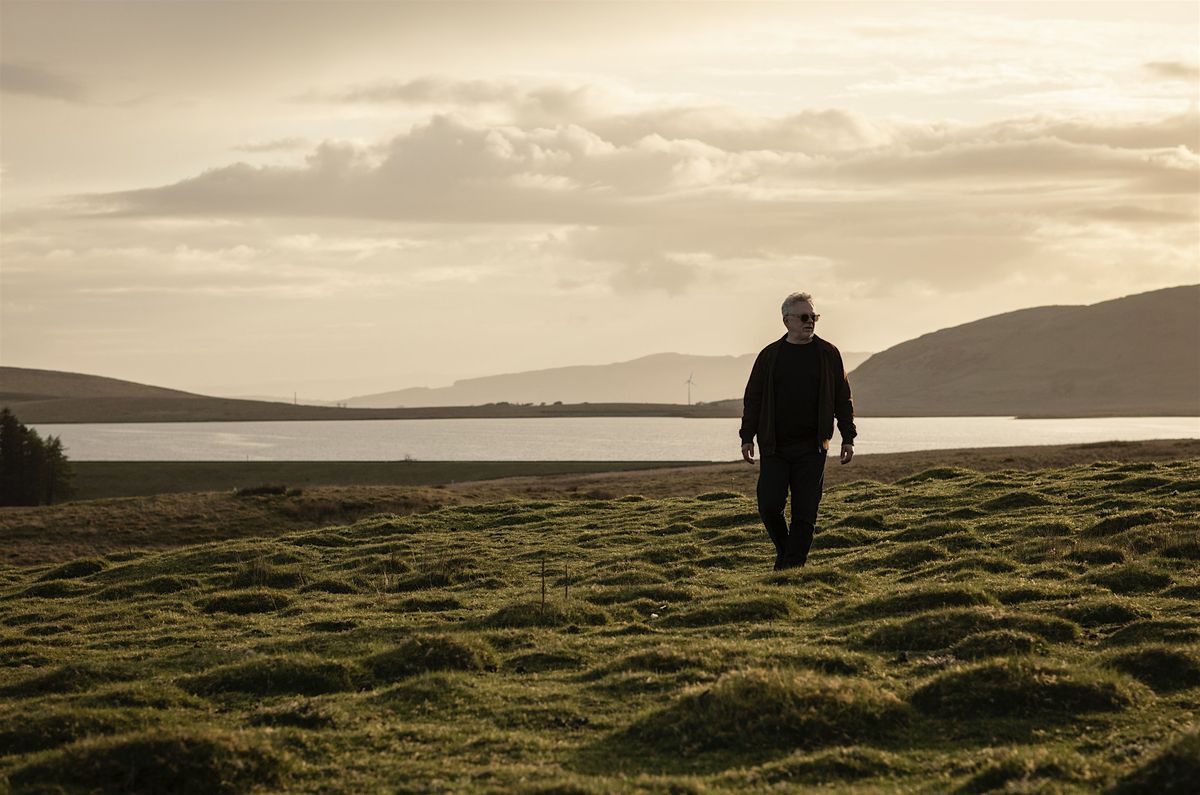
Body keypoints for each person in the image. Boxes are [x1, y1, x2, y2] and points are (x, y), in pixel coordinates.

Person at [740, 292, 857, 570]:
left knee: (805, 514)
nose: (810, 322)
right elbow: (753, 398)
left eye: (814, 317)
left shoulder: (828, 354)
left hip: (812, 448)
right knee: (769, 507)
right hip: (775, 447)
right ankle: (787, 556)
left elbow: (843, 398)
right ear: (786, 321)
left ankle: (789, 570)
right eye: (804, 317)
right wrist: (747, 436)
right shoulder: (770, 356)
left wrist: (848, 437)